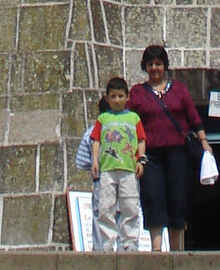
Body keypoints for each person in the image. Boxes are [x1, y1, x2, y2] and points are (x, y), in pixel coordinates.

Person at [129, 44, 209, 252]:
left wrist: (204, 141)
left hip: (177, 152)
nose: (154, 68)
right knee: (153, 196)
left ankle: (176, 248)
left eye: (158, 63)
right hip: (150, 153)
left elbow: (193, 116)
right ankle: (156, 248)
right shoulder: (137, 92)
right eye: (150, 64)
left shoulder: (179, 89)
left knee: (177, 197)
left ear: (165, 66)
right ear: (145, 67)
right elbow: (129, 122)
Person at [89, 75, 145, 251]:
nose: (117, 100)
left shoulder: (134, 118)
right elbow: (96, 141)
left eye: (120, 96)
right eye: (113, 96)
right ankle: (107, 242)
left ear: (127, 97)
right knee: (106, 206)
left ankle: (130, 243)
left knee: (130, 205)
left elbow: (141, 140)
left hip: (128, 169)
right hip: (108, 169)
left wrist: (141, 160)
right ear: (107, 98)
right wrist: (95, 162)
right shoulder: (102, 119)